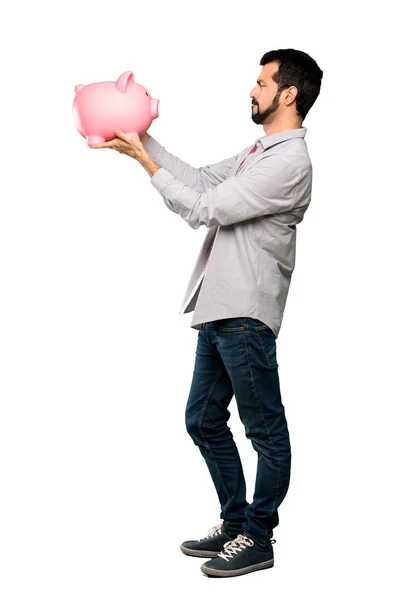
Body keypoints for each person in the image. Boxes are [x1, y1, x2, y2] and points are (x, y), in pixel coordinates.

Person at [91, 47, 323, 578]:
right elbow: (197, 180)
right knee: (202, 418)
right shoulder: (259, 152)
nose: (251, 90)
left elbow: (203, 209)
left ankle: (258, 538)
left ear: (289, 94)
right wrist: (137, 138)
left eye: (261, 83)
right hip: (219, 309)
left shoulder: (289, 162)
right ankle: (236, 517)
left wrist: (146, 162)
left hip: (246, 314)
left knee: (265, 430)